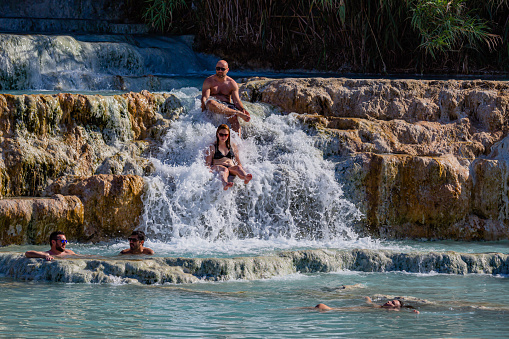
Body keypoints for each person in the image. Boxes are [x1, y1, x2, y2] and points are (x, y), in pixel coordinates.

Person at [201, 60, 251, 136]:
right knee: (210, 102)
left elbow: (236, 101)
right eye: (218, 68)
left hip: (226, 106)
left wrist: (242, 109)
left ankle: (238, 144)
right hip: (213, 105)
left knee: (233, 118)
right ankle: (237, 113)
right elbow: (205, 97)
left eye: (222, 69)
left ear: (227, 70)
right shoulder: (209, 81)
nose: (220, 71)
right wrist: (202, 104)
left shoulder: (231, 83)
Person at [205, 124, 253, 190]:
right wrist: (211, 171)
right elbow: (208, 164)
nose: (223, 137)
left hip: (231, 167)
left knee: (238, 167)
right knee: (225, 170)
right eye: (221, 134)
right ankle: (225, 183)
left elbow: (238, 161)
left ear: (228, 135)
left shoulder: (233, 146)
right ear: (217, 134)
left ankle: (245, 177)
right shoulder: (212, 147)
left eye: (226, 135)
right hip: (219, 166)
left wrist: (241, 168)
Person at [314, 297, 419, 313]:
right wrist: (368, 298)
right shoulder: (378, 306)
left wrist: (412, 312)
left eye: (392, 303)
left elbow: (403, 313)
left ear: (396, 309)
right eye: (391, 301)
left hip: (332, 310)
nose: (388, 302)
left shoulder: (382, 310)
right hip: (332, 309)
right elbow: (369, 303)